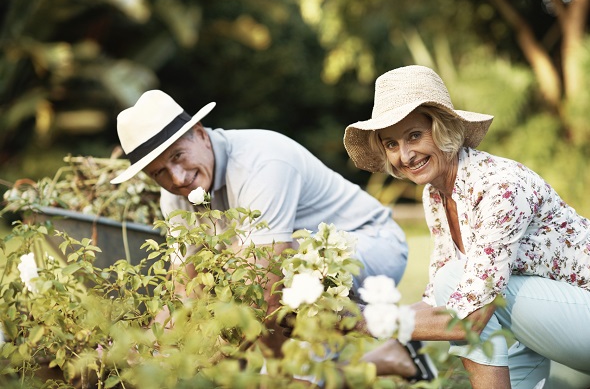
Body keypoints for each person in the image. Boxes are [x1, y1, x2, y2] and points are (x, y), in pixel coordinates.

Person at [109, 89, 436, 382]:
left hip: (371, 244)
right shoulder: (176, 196)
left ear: (200, 134)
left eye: (177, 156)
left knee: (279, 311)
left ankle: (299, 375)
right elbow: (185, 283)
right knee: (279, 367)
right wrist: (149, 346)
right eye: (159, 173)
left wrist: (209, 353)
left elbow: (265, 281)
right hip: (300, 268)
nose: (177, 178)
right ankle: (392, 358)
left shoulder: (260, 161)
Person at [343, 65, 590, 388]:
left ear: (442, 128)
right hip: (551, 326)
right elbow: (438, 302)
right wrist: (354, 309)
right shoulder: (435, 193)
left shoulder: (500, 186)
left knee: (460, 283)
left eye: (414, 135)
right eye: (391, 144)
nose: (404, 155)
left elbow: (468, 318)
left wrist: (362, 322)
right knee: (459, 290)